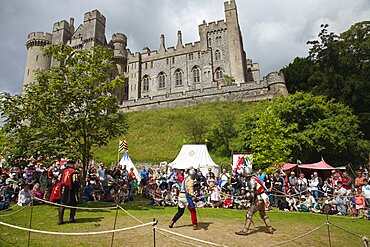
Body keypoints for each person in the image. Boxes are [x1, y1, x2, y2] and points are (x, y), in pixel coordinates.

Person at [235, 166, 273, 235]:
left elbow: (252, 194)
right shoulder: (255, 178)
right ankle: (270, 229)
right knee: (263, 214)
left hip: (258, 199)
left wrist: (244, 197)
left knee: (249, 214)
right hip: (262, 198)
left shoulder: (251, 180)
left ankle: (245, 230)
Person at [58, 160, 80, 225]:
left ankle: (60, 220)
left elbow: (58, 180)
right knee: (73, 204)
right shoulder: (74, 172)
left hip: (63, 189)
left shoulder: (62, 171)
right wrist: (78, 189)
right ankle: (71, 218)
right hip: (71, 190)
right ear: (72, 165)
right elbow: (75, 182)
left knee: (62, 204)